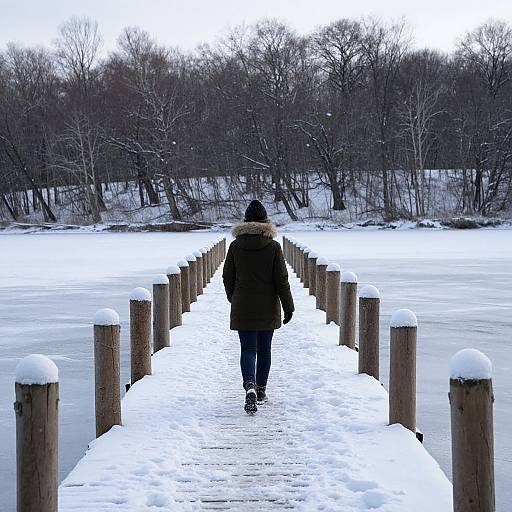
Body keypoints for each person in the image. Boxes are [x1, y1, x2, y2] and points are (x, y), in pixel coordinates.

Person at [222, 200, 294, 414]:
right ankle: (261, 390)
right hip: (267, 306)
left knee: (248, 349)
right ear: (265, 222)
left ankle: (249, 386)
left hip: (242, 304)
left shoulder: (235, 246)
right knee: (264, 350)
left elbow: (227, 276)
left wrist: (233, 297)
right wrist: (288, 306)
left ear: (245, 221)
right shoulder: (273, 246)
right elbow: (281, 279)